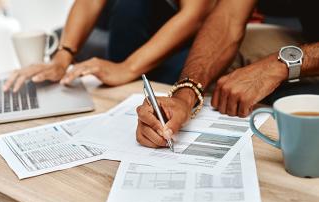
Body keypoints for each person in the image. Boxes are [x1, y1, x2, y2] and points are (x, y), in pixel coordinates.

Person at [136, 0, 319, 148]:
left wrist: (279, 65)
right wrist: (185, 94)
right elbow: (228, 19)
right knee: (225, 61)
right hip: (309, 38)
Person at [3, 0, 215, 92]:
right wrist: (62, 58)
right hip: (127, 49)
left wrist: (126, 68)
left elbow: (195, 13)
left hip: (177, 48)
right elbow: (89, 2)